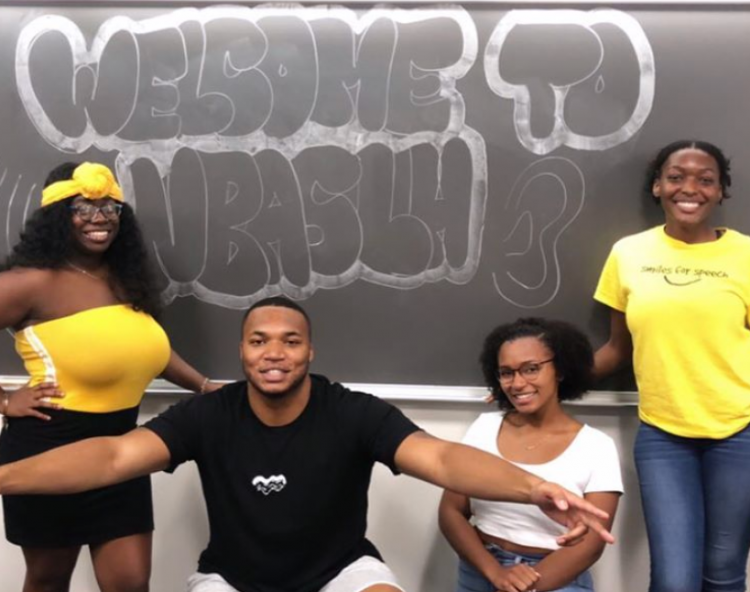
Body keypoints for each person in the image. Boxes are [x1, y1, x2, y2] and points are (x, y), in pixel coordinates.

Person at [0, 296, 615, 592]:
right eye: (259, 340)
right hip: (232, 579)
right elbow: (111, 457)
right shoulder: (207, 414)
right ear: (242, 351)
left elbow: (442, 458)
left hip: (340, 571)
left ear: (310, 350)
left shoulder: (351, 412)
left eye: (290, 341)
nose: (274, 353)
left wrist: (533, 485)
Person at [0, 162, 221, 592]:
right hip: (48, 446)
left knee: (130, 583)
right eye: (84, 207)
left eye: (110, 208)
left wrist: (203, 386)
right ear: (57, 213)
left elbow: (148, 351)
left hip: (123, 449)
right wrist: (6, 402)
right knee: (48, 580)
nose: (99, 219)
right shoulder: (25, 284)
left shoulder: (124, 277)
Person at [593, 140, 750, 592]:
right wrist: (550, 374)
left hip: (738, 432)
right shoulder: (628, 254)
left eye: (706, 179)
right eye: (677, 176)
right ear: (658, 186)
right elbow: (616, 350)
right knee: (674, 580)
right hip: (664, 436)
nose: (691, 188)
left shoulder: (744, 255)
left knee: (722, 574)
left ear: (721, 192)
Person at [439, 318, 622, 592]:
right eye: (506, 373)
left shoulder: (597, 445)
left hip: (556, 578)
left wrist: (524, 585)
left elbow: (592, 543)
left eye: (531, 369)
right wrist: (496, 574)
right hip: (481, 569)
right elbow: (451, 511)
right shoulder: (483, 428)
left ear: (560, 369)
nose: (517, 383)